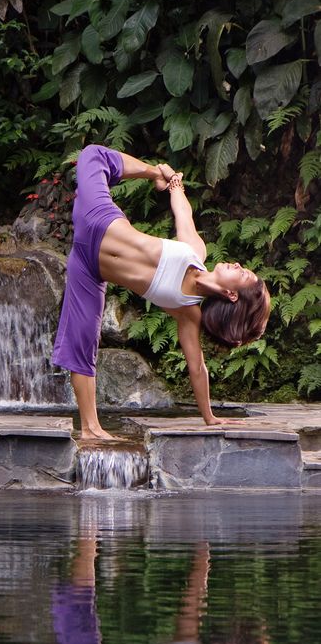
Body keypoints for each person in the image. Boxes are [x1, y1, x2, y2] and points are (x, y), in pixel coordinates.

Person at [52, 144, 271, 441]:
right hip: (99, 219)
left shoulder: (187, 312)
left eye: (242, 273)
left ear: (233, 296)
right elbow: (183, 212)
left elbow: (197, 367)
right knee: (93, 155)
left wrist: (209, 417)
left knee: (82, 341)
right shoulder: (196, 251)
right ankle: (154, 170)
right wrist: (172, 181)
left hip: (89, 269)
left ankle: (91, 428)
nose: (237, 263)